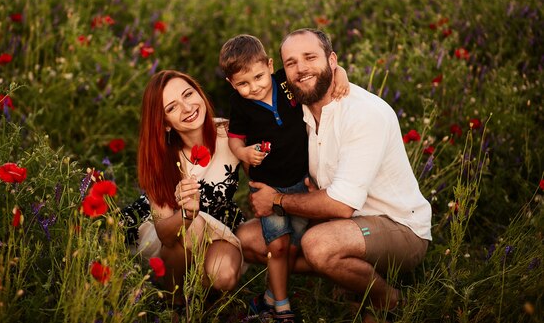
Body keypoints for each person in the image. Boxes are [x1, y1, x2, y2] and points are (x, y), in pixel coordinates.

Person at [236, 28, 432, 320]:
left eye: (310, 57)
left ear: (332, 60)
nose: (301, 68)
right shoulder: (296, 108)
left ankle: (387, 300)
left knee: (319, 246)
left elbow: (340, 205)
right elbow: (240, 111)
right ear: (281, 71)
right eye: (291, 62)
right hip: (337, 223)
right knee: (249, 239)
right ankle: (348, 275)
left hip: (398, 227)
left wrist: (275, 200)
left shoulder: (364, 113)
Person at [219, 34, 349, 323]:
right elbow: (235, 139)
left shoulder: (283, 82)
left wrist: (340, 73)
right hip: (269, 186)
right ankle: (281, 306)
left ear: (269, 65)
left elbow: (323, 72)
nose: (253, 87)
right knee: (277, 245)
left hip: (301, 181)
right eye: (242, 84)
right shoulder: (240, 105)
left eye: (258, 77)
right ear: (231, 84)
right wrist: (243, 153)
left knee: (292, 245)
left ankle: (268, 297)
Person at [121, 70, 245, 299]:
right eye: (172, 107)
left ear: (199, 93)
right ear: (165, 123)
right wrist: (186, 214)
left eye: (188, 94)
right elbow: (166, 236)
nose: (187, 107)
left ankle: (201, 297)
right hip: (167, 235)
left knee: (224, 274)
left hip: (216, 223)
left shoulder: (230, 134)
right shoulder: (161, 160)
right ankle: (175, 303)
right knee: (179, 238)